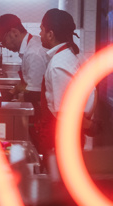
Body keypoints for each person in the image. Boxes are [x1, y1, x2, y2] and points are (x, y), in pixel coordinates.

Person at [36, 9, 96, 156]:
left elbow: (66, 113)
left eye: (42, 30)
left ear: (50, 34)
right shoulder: (67, 55)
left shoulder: (59, 65)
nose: (40, 34)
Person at [0, 14, 48, 122]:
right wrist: (12, 92)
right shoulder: (31, 46)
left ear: (14, 32)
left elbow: (34, 93)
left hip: (47, 113)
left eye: (3, 41)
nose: (4, 46)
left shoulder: (33, 53)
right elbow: (28, 81)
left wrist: (10, 107)